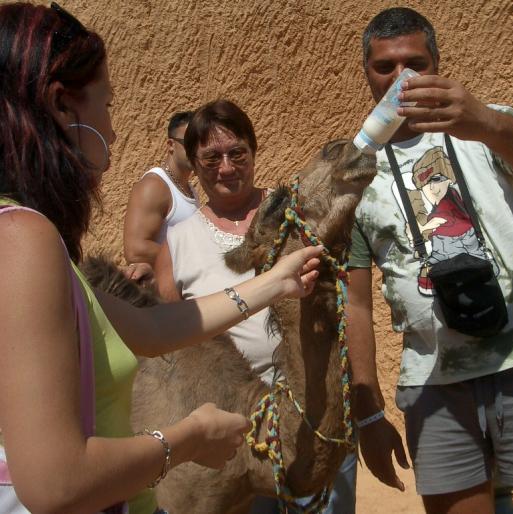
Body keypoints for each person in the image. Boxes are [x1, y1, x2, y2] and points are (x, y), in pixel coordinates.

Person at [0, 4, 322, 514]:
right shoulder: (21, 237)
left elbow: (152, 329)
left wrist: (276, 283)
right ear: (62, 107)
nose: (113, 128)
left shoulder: (29, 240)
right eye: (106, 105)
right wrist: (187, 441)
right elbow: (56, 484)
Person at [346, 7, 513, 514]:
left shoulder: (485, 123)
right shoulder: (355, 168)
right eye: (385, 67)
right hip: (435, 382)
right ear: (366, 73)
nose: (401, 79)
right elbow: (357, 304)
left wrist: (486, 122)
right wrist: (366, 412)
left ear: (436, 63)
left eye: (415, 63)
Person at [155, 99, 357, 514]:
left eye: (236, 153)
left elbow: (346, 299)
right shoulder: (176, 244)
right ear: (193, 162)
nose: (226, 167)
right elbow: (170, 349)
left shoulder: (297, 218)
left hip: (316, 410)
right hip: (235, 437)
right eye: (211, 157)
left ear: (253, 150)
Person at [123, 110, 199, 267]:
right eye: (190, 143)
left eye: (201, 144)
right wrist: (193, 258)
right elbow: (135, 250)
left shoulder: (190, 189)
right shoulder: (155, 185)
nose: (197, 150)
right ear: (171, 145)